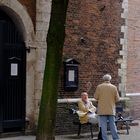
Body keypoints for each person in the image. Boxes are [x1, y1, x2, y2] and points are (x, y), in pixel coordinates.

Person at [94, 74, 120, 140]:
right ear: (110, 79)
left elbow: (95, 97)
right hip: (111, 109)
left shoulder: (99, 87)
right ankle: (116, 138)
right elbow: (117, 99)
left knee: (103, 127)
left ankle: (105, 139)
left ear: (103, 79)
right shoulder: (114, 87)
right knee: (113, 126)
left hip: (102, 110)